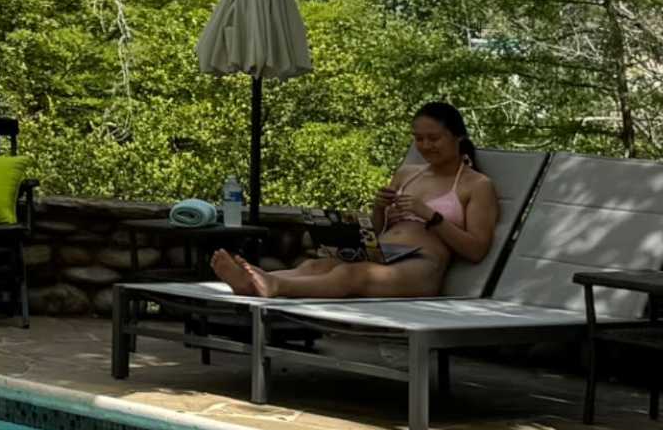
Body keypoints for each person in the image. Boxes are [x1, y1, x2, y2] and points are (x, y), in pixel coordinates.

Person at [210, 103, 498, 303]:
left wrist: (431, 217)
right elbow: (376, 228)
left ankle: (271, 284)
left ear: (458, 137)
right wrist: (378, 209)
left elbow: (476, 249)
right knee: (317, 267)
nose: (424, 146)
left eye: (433, 138)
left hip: (420, 266)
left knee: (350, 273)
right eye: (418, 139)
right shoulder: (408, 174)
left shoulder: (476, 185)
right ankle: (254, 281)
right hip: (382, 253)